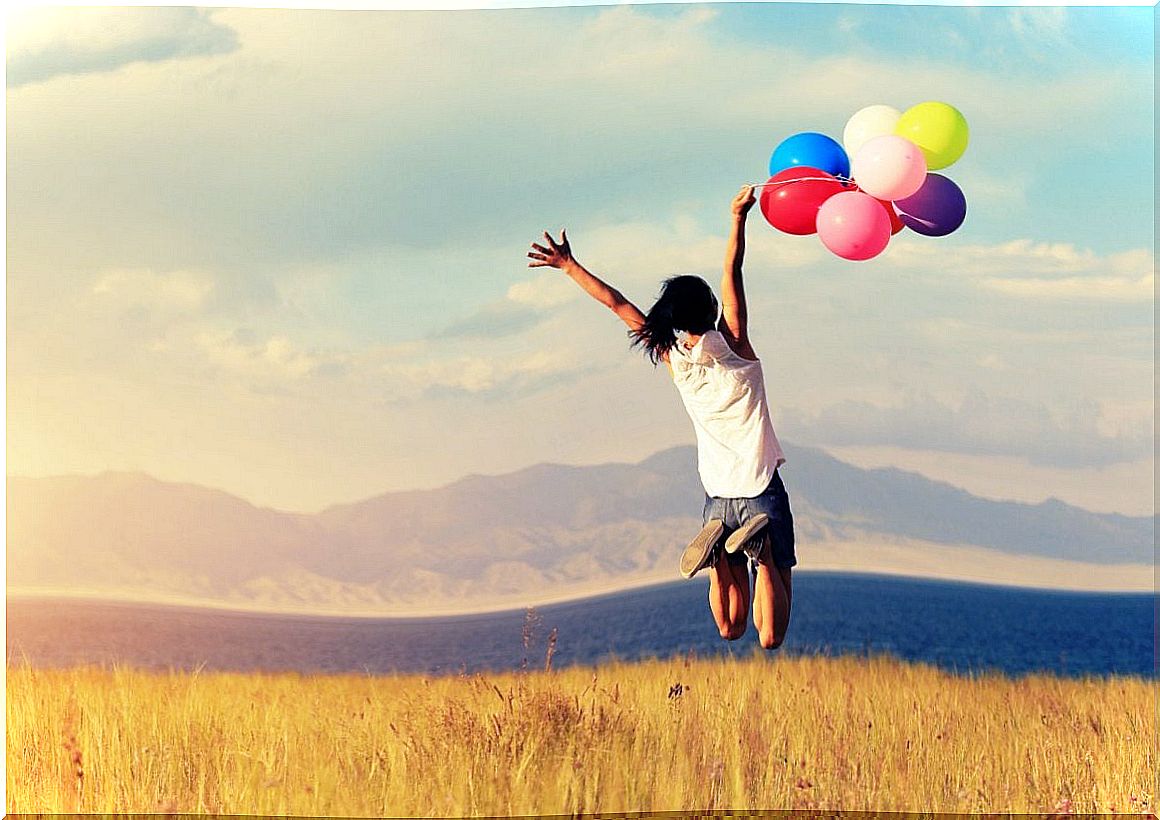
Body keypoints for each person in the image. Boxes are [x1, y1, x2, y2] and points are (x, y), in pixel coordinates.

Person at [526, 185, 796, 649]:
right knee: (769, 637)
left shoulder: (675, 358)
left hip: (717, 498)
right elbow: (733, 268)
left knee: (729, 630)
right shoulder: (734, 347)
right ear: (712, 310)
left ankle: (718, 557)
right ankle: (764, 551)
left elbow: (616, 304)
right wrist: (737, 216)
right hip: (759, 492)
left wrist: (568, 265)